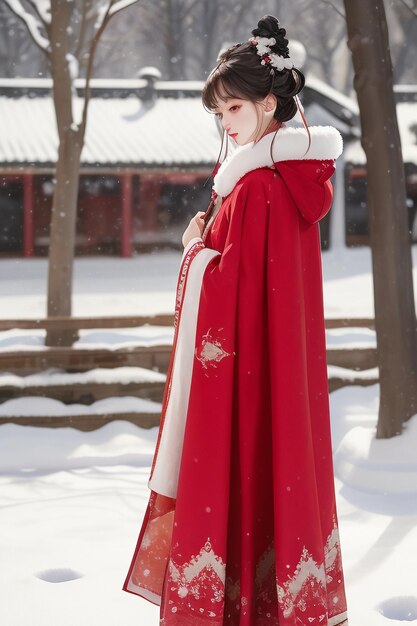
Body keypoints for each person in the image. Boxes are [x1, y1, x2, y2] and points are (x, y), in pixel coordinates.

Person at [123, 14, 349, 626]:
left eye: (234, 109)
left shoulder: (257, 189)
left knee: (239, 477)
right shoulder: (285, 181)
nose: (226, 124)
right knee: (273, 475)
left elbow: (233, 290)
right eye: (221, 112)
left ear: (269, 104)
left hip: (246, 375)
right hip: (272, 369)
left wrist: (197, 251)